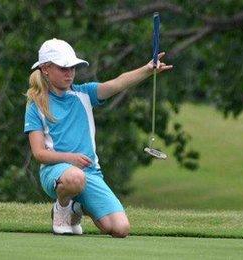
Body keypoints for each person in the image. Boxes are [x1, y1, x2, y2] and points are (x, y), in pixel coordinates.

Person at [24, 38, 172, 238]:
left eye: (72, 68)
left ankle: (75, 210)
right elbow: (39, 153)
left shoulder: (85, 94)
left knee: (120, 229)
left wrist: (147, 69)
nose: (70, 73)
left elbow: (117, 83)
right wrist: (70, 158)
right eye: (63, 68)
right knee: (75, 177)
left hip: (90, 173)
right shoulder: (36, 105)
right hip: (56, 172)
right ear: (45, 69)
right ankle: (62, 208)